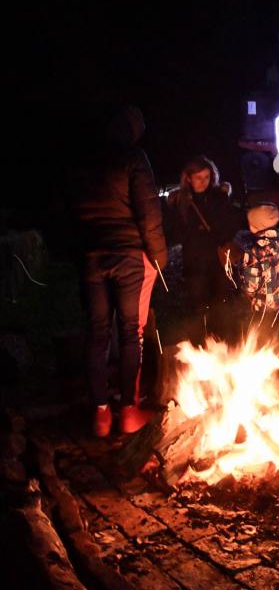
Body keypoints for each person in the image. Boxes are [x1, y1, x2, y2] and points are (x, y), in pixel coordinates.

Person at [69, 104, 168, 437]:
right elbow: (148, 212)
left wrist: (79, 253)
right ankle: (128, 410)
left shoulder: (82, 161)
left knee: (97, 334)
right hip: (127, 255)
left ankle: (100, 416)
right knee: (130, 333)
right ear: (131, 130)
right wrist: (159, 256)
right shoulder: (133, 158)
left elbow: (69, 213)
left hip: (93, 257)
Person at [167, 155, 241, 343]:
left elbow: (231, 225)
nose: (203, 182)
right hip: (195, 263)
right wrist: (196, 231)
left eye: (206, 177)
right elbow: (175, 233)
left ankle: (222, 345)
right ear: (188, 178)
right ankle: (200, 346)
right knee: (198, 307)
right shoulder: (180, 201)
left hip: (219, 261)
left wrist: (213, 232)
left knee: (221, 306)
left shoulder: (219, 197)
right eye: (198, 177)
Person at [222, 203, 279, 351]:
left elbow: (251, 285)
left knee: (261, 340)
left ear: (255, 226)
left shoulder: (254, 251)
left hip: (263, 306)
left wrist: (245, 289)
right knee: (278, 339)